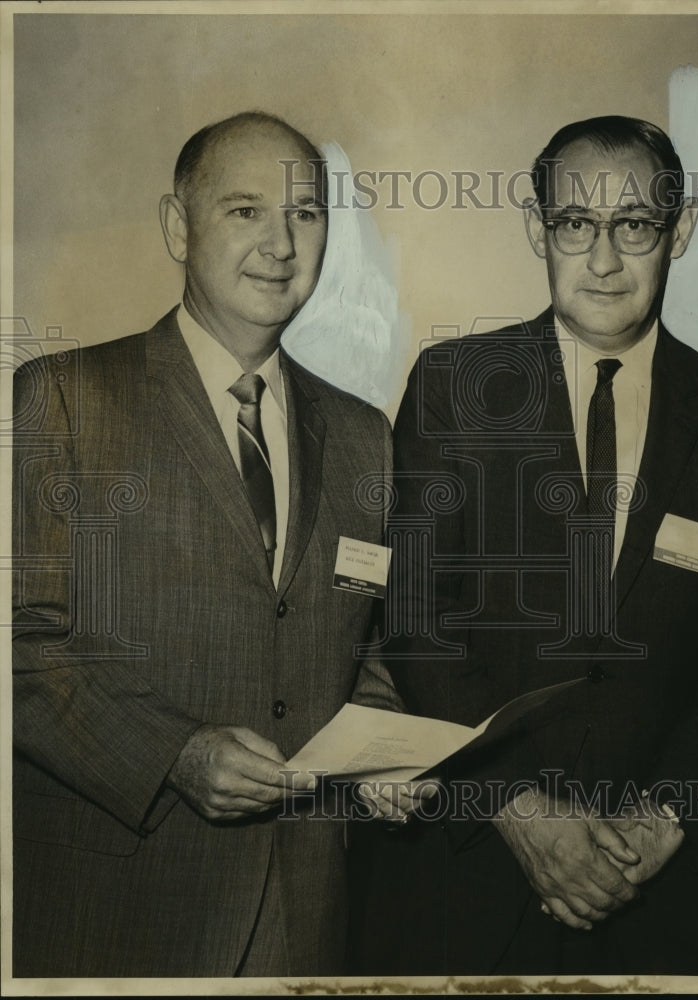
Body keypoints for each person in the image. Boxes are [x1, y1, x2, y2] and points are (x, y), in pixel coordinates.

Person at [348, 116, 698, 977]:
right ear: (535, 228)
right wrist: (518, 806)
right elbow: (414, 619)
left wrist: (659, 822)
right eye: (575, 225)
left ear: (680, 230)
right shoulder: (451, 388)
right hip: (467, 877)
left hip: (664, 892)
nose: (605, 261)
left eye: (635, 225)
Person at [12, 110, 407, 978]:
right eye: (244, 211)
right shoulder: (62, 399)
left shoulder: (363, 433)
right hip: (117, 908)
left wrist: (383, 738)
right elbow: (19, 644)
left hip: (309, 910)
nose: (279, 244)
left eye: (305, 215)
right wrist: (176, 753)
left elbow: (365, 648)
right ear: (175, 225)